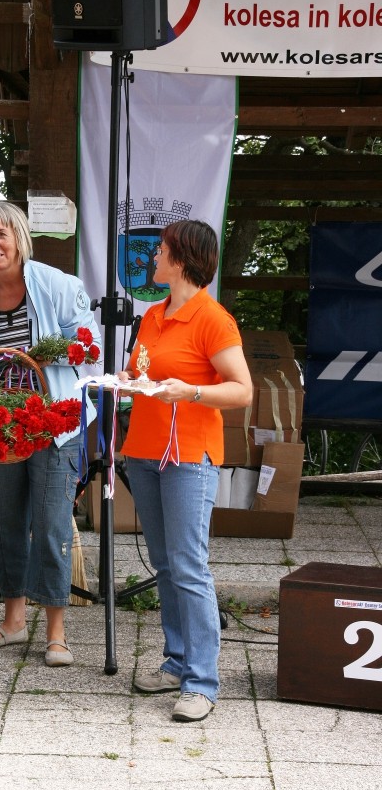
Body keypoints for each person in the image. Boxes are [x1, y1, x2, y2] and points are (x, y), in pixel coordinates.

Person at [118, 220, 252, 722]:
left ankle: (201, 682)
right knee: (167, 563)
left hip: (189, 455)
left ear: (181, 260)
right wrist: (128, 382)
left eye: (161, 250)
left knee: (189, 565)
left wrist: (191, 392)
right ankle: (176, 663)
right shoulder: (154, 314)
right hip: (145, 451)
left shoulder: (213, 319)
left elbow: (242, 391)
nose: (153, 257)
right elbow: (146, 374)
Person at [0, 201, 101, 666]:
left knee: (50, 526)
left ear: (19, 237)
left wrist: (46, 353)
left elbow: (91, 348)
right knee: (5, 523)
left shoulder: (59, 286)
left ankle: (57, 632)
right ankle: (13, 621)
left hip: (53, 424)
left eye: (2, 234)